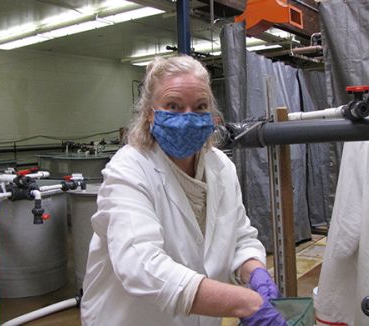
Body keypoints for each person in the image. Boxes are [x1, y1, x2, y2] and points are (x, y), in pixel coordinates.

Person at [80, 55, 286, 326]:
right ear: (151, 115)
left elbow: (239, 238)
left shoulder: (220, 166)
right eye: (173, 106)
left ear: (212, 116)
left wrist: (254, 269)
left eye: (199, 107)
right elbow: (141, 265)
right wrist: (244, 303)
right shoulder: (129, 169)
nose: (188, 117)